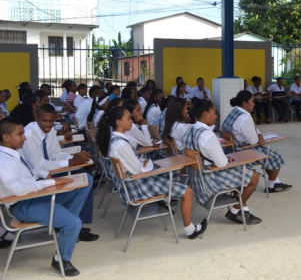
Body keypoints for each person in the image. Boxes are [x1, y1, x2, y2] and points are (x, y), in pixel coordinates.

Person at [96, 106, 207, 239]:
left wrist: (147, 164)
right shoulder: (121, 145)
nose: (131, 120)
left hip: (131, 183)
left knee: (170, 174)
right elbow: (138, 169)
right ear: (119, 122)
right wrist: (149, 165)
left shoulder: (116, 141)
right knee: (187, 191)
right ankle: (190, 230)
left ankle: (167, 199)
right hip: (136, 186)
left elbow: (135, 165)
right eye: (128, 118)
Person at [0, 117, 92, 276]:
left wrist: (47, 176)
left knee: (85, 182)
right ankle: (60, 259)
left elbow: (31, 171)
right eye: (20, 134)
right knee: (74, 223)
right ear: (6, 137)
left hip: (36, 194)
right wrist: (48, 183)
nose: (25, 137)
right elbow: (17, 189)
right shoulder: (3, 161)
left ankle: (63, 225)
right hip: (24, 205)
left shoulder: (15, 152)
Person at [22, 104, 98, 242]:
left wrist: (74, 158)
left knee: (85, 178)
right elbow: (39, 165)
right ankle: (72, 224)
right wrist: (70, 163)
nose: (48, 124)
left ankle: (71, 222)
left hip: (50, 171)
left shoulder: (50, 130)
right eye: (44, 120)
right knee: (83, 180)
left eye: (51, 121)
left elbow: (55, 154)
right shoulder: (29, 135)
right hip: (37, 178)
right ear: (36, 117)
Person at [182, 100, 262, 224]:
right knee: (254, 177)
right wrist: (226, 159)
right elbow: (222, 164)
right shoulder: (207, 135)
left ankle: (242, 208)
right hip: (208, 181)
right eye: (214, 112)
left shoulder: (189, 130)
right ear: (205, 114)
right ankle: (235, 211)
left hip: (195, 179)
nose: (216, 116)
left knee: (240, 173)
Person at [222, 90, 292, 193]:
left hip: (229, 149)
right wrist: (260, 138)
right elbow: (253, 141)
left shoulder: (235, 111)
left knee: (267, 154)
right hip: (242, 150)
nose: (254, 104)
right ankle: (272, 185)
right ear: (244, 103)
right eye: (252, 101)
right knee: (275, 156)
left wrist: (259, 135)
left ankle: (275, 181)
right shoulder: (245, 118)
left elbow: (253, 130)